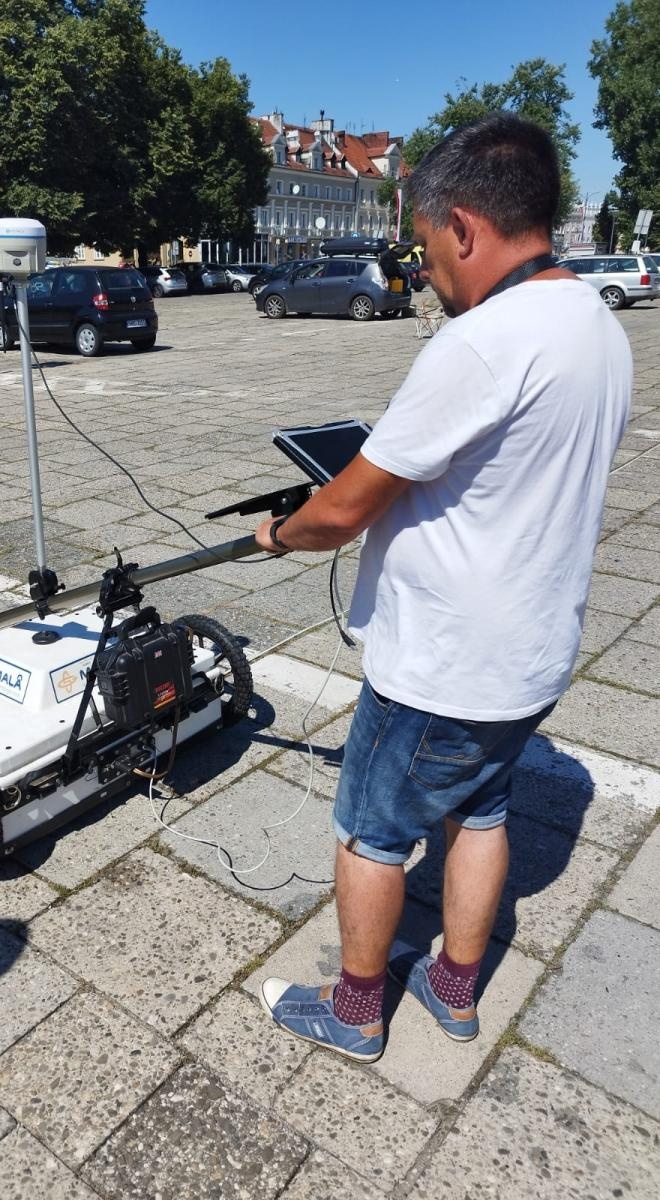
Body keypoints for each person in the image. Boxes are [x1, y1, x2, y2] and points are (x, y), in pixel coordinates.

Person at [253, 113, 632, 1063]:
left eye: (426, 250)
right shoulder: (595, 322)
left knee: (370, 832)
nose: (426, 272)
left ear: (463, 226)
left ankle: (354, 1009)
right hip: (532, 654)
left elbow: (341, 513)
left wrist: (279, 532)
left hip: (442, 665)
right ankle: (453, 989)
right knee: (482, 811)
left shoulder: (480, 344)